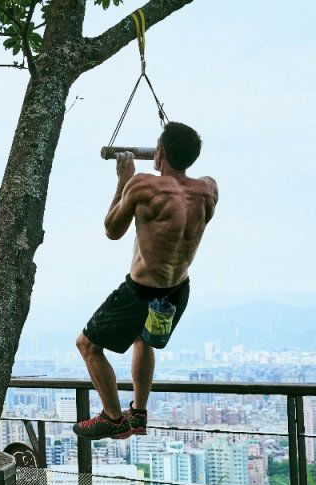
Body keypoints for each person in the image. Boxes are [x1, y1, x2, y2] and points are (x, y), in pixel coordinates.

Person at [73, 122, 217, 440]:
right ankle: (138, 413)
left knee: (87, 345)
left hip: (140, 291)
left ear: (160, 152)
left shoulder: (144, 187)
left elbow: (112, 230)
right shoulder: (207, 190)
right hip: (177, 291)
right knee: (143, 340)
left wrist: (123, 182)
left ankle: (113, 418)